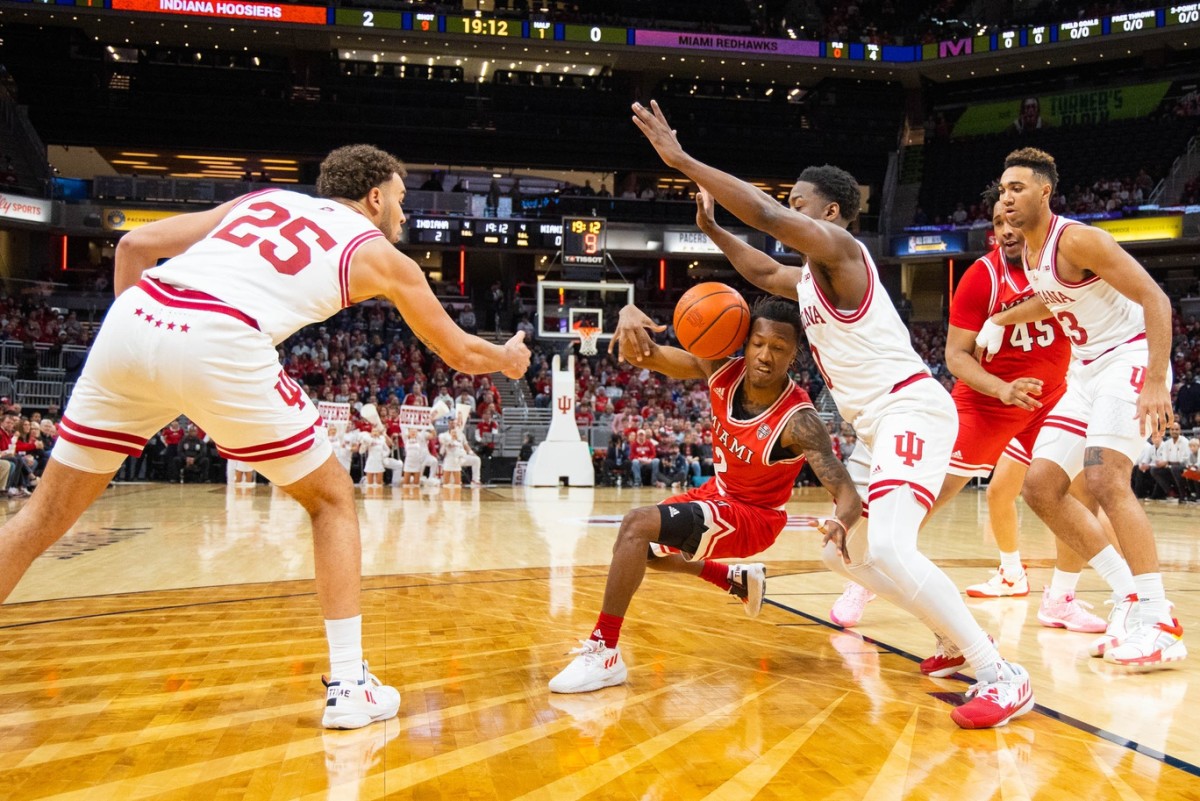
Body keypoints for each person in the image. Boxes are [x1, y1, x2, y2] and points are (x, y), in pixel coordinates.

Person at [0, 144, 530, 730]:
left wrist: (147, 353)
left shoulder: (266, 198)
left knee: (40, 518)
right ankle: (350, 684)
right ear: (375, 197)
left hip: (134, 319)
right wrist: (507, 359)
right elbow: (456, 349)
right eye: (401, 201)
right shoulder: (380, 255)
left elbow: (133, 246)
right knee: (331, 501)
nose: (403, 215)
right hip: (220, 337)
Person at [632, 98, 1031, 729]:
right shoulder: (811, 282)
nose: (790, 212)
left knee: (894, 547)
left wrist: (681, 160)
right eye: (789, 203)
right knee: (844, 555)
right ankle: (952, 638)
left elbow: (763, 215)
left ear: (831, 213)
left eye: (800, 203)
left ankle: (1002, 673)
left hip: (909, 408)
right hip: (876, 425)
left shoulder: (844, 255)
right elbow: (761, 266)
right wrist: (712, 233)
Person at [831, 184, 1110, 642]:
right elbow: (957, 357)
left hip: (1050, 398)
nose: (1006, 231)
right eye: (999, 224)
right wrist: (1002, 389)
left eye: (1013, 222)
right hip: (986, 403)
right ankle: (862, 579)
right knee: (925, 498)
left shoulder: (1059, 264)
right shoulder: (982, 277)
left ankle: (1061, 596)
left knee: (1071, 496)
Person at [549, 297, 862, 694]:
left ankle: (604, 651)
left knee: (635, 525)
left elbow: (847, 493)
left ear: (794, 354)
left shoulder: (799, 421)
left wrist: (841, 521)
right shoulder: (720, 370)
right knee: (639, 553)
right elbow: (645, 356)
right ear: (745, 342)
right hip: (718, 494)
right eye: (758, 343)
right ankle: (735, 580)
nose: (765, 356)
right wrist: (629, 314)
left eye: (779, 348)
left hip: (755, 517)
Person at [990, 147, 1185, 668]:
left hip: (1129, 359)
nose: (1007, 198)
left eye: (1018, 188)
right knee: (1040, 487)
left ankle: (1159, 618)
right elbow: (1052, 298)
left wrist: (1157, 380)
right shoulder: (1030, 255)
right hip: (1087, 372)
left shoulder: (1076, 238)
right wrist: (1002, 320)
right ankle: (1128, 598)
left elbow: (1156, 299)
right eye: (1003, 189)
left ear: (1044, 193)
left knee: (1103, 480)